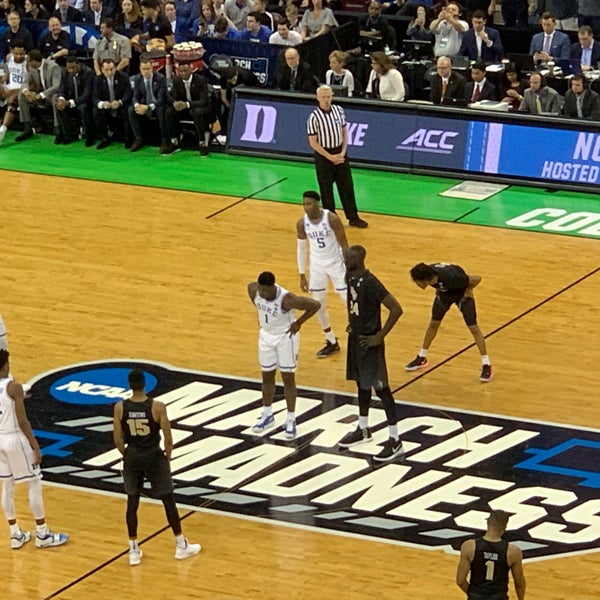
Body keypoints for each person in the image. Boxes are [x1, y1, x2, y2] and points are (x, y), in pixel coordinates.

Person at [113, 369, 201, 565]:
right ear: (145, 384)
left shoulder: (120, 407)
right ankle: (181, 545)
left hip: (133, 455)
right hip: (153, 455)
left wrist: (127, 455)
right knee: (168, 500)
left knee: (132, 502)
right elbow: (168, 439)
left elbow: (117, 440)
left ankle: (133, 550)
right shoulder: (158, 407)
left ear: (129, 385)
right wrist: (167, 459)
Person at [338, 245, 404, 462]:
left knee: (382, 389)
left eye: (350, 257)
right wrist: (352, 323)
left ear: (361, 259)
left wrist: (380, 336)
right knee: (361, 384)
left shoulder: (371, 282)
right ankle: (363, 428)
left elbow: (396, 309)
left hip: (370, 342)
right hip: (356, 338)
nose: (346, 260)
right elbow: (354, 304)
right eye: (346, 257)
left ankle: (395, 440)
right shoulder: (349, 277)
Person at [0, 349, 69, 549]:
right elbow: (23, 421)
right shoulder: (13, 388)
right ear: (6, 366)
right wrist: (35, 446)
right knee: (34, 482)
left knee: (7, 486)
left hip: (0, 439)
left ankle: (15, 534)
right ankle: (42, 533)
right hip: (14, 438)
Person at [247, 271, 320, 439]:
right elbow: (252, 292)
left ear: (272, 287)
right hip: (265, 336)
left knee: (288, 378)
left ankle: (291, 418)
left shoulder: (288, 300)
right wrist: (261, 315)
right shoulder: (253, 289)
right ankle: (267, 414)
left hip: (285, 337)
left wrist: (299, 322)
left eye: (265, 291)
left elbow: (315, 305)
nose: (262, 294)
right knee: (267, 376)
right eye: (261, 291)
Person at [406, 262, 493, 382]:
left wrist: (469, 289)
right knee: (433, 324)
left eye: (417, 282)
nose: (416, 284)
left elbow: (477, 278)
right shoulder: (429, 272)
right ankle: (422, 357)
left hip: (462, 294)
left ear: (425, 280)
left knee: (473, 328)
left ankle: (486, 364)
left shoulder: (452, 277)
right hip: (444, 295)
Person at [307, 85, 368, 229]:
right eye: (323, 97)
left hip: (340, 153)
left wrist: (343, 152)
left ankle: (353, 217)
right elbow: (313, 142)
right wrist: (329, 157)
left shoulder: (338, 110)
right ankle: (330, 220)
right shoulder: (313, 117)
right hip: (324, 156)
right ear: (318, 98)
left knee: (347, 187)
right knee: (326, 190)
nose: (327, 100)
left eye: (329, 96)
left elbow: (345, 132)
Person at [296, 190, 348, 358]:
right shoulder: (301, 223)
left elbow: (344, 243)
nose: (306, 207)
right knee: (318, 304)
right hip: (317, 265)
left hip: (335, 262)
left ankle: (354, 325)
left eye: (309, 204)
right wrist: (302, 274)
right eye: (304, 204)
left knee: (346, 296)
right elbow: (301, 248)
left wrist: (350, 265)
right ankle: (331, 340)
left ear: (317, 203)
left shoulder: (331, 218)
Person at [456, 509, 526, 600]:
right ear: (505, 527)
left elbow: (460, 581)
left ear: (488, 522)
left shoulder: (469, 547)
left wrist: (474, 595)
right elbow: (519, 583)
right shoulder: (513, 552)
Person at [165, 60, 213, 156]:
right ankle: (174, 142)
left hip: (201, 109)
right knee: (169, 111)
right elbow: (172, 96)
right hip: (185, 109)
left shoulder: (200, 80)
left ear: (191, 69)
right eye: (180, 71)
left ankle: (202, 144)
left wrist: (187, 104)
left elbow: (203, 101)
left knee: (197, 112)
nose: (182, 73)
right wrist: (175, 103)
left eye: (185, 71)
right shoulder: (176, 81)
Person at [15, 49, 62, 142]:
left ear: (33, 61)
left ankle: (58, 130)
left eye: (28, 60)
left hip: (51, 95)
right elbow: (25, 82)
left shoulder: (53, 66)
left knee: (55, 98)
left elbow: (56, 86)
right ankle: (27, 127)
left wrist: (40, 95)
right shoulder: (32, 68)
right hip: (40, 96)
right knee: (22, 95)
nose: (27, 63)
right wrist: (26, 91)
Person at [128, 55, 171, 153]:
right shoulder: (138, 79)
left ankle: (165, 140)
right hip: (145, 104)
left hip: (157, 105)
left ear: (152, 68)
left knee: (161, 110)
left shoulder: (160, 78)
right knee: (131, 110)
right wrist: (137, 105)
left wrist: (148, 107)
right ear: (140, 69)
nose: (146, 71)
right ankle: (138, 138)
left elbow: (161, 98)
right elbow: (135, 96)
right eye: (144, 69)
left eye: (148, 69)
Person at [55, 55, 96, 145]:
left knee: (83, 108)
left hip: (86, 101)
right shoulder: (65, 72)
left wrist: (69, 103)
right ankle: (68, 134)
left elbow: (87, 94)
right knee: (59, 106)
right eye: (69, 68)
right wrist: (61, 99)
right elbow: (62, 88)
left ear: (79, 65)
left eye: (73, 68)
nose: (71, 70)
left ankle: (90, 136)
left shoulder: (88, 73)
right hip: (71, 100)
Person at [0, 44, 27, 145]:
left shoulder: (28, 62)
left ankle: (3, 130)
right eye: (16, 54)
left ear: (25, 53)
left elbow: (32, 83)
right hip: (9, 87)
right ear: (12, 52)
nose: (19, 56)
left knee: (12, 98)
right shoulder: (9, 58)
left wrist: (13, 91)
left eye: (21, 54)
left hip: (22, 89)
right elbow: (7, 73)